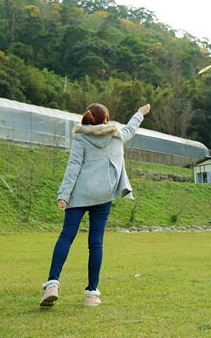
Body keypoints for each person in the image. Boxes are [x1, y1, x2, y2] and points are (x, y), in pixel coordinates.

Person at [40, 102, 151, 307]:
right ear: (106, 120)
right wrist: (139, 113)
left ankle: (52, 284)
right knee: (96, 243)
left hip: (80, 193)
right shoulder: (116, 135)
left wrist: (64, 194)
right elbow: (131, 129)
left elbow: (74, 166)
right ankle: (91, 294)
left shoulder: (81, 137)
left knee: (66, 236)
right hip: (103, 195)